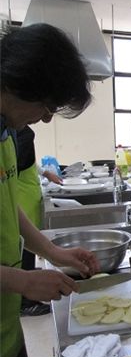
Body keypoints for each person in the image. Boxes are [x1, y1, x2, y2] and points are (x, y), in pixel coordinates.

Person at [1, 23, 99, 357]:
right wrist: (23, 281)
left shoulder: (6, 134)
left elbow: (8, 208)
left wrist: (53, 252)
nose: (45, 117)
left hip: (7, 339)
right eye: (45, 105)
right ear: (14, 83)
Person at [17, 126, 62, 317]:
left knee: (25, 247)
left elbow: (29, 164)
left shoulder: (16, 133)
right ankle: (26, 302)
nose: (46, 119)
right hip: (21, 198)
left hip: (25, 197)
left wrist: (44, 172)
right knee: (21, 248)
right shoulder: (22, 134)